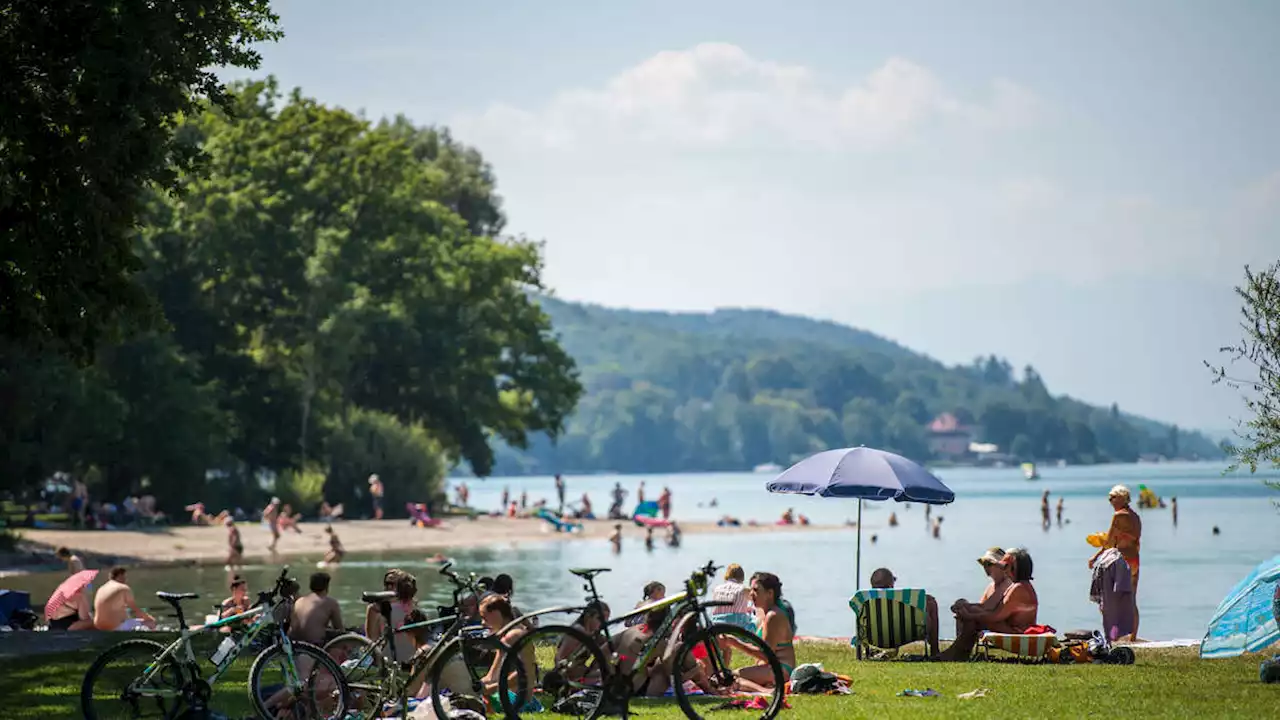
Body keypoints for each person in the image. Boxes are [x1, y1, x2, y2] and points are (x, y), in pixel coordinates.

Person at [939, 548, 1039, 661]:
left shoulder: (1018, 588)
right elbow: (993, 612)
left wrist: (969, 615)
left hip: (1018, 633)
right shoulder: (1022, 586)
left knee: (974, 620)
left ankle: (956, 654)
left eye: (1005, 566)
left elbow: (995, 616)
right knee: (974, 619)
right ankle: (957, 654)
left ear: (1015, 568)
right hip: (1015, 629)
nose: (1004, 571)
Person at [1089, 484, 1142, 640]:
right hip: (1134, 560)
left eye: (1113, 497)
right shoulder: (1135, 516)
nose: (1110, 500)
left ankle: (1114, 636)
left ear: (1122, 498)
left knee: (1110, 600)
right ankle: (1133, 637)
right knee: (1131, 598)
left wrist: (1096, 555)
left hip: (1120, 561)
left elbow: (1110, 542)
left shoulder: (1118, 516)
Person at [728, 572, 795, 687]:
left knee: (730, 678)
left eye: (756, 590)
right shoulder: (763, 612)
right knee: (725, 677)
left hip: (780, 670)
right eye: (751, 590)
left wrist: (735, 642)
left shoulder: (773, 616)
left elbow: (766, 655)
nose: (751, 594)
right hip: (770, 667)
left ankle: (767, 692)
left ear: (770, 593)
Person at [869, 567, 941, 657]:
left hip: (875, 637)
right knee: (931, 603)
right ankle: (935, 651)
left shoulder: (866, 602)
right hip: (903, 635)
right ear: (891, 584)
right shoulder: (902, 600)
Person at [479, 594, 536, 695]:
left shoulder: (514, 635)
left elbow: (525, 673)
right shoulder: (504, 636)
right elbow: (492, 676)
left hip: (519, 701)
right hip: (506, 695)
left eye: (485, 617)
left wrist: (492, 688)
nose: (483, 623)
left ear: (496, 614)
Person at [950, 547, 1012, 625]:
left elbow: (987, 607)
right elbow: (982, 606)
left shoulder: (1007, 583)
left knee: (969, 612)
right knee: (964, 611)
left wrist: (965, 607)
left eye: (989, 564)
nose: (985, 567)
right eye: (984, 564)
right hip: (992, 622)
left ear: (1001, 567)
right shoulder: (991, 586)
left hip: (1005, 624)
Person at [94, 567, 157, 631]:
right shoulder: (123, 588)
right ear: (121, 576)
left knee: (126, 616)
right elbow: (135, 610)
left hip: (99, 626)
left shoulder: (101, 588)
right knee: (151, 623)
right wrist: (149, 618)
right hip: (115, 627)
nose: (126, 580)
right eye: (125, 577)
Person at [290, 572, 344, 646]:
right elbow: (339, 628)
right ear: (327, 587)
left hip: (295, 643)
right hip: (315, 644)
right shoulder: (331, 603)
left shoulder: (299, 601)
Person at [710, 564, 754, 629]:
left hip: (717, 626)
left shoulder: (716, 589)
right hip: (737, 627)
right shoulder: (743, 589)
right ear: (742, 577)